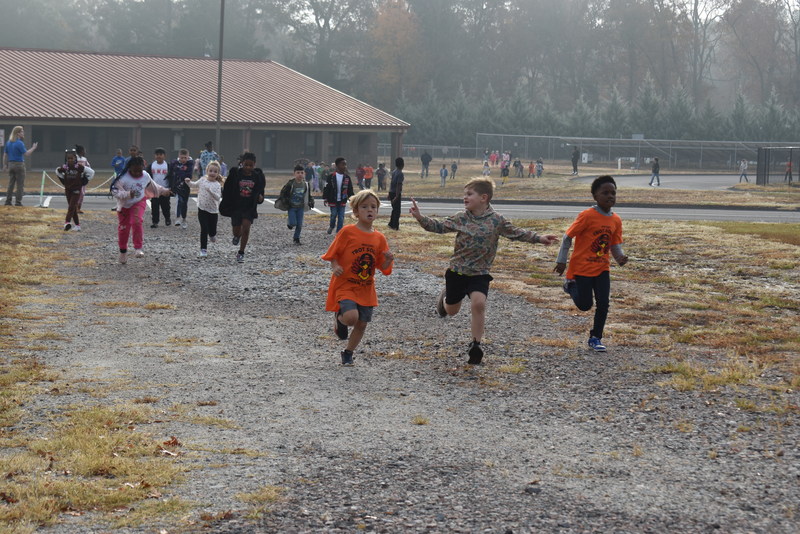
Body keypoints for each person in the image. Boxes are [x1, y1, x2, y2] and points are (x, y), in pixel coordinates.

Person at [410, 178, 557, 364]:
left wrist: (539, 238)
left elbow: (517, 232)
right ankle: (445, 298)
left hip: (480, 273)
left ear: (484, 198)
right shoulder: (460, 218)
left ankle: (476, 345)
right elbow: (438, 227)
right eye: (464, 194)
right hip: (457, 272)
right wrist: (420, 217)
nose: (465, 198)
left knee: (478, 304)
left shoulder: (497, 221)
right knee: (452, 310)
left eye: (469, 194)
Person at [554, 175, 628, 353]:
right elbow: (567, 237)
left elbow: (614, 243)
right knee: (585, 305)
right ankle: (570, 286)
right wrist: (562, 261)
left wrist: (620, 258)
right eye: (605, 193)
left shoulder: (616, 219)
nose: (610, 196)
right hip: (581, 269)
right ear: (595, 196)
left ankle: (596, 337)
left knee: (603, 303)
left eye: (613, 193)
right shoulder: (587, 215)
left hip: (602, 269)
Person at [321, 189, 394, 366]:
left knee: (361, 324)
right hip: (345, 284)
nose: (370, 210)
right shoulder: (347, 232)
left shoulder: (379, 238)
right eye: (364, 207)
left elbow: (381, 267)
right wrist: (335, 266)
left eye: (373, 207)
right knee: (351, 317)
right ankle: (340, 318)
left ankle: (348, 353)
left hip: (366, 287)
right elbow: (333, 254)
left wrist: (388, 260)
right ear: (355, 211)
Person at [110, 156, 173, 264]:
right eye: (134, 171)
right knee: (123, 229)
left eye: (140, 170)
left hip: (139, 202)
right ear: (129, 168)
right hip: (124, 205)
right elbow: (114, 192)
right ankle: (123, 251)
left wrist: (164, 191)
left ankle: (138, 248)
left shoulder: (145, 175)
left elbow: (154, 186)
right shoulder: (122, 178)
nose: (137, 173)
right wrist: (128, 194)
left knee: (137, 220)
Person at [218, 152, 265, 264]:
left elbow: (261, 191)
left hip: (249, 207)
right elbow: (228, 188)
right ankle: (237, 236)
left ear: (254, 164)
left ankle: (241, 252)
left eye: (251, 165)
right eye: (246, 165)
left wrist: (260, 198)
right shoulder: (236, 174)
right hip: (237, 206)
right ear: (242, 163)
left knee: (246, 228)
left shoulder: (257, 176)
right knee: (236, 230)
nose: (248, 167)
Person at [186, 160, 223, 258]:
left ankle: (212, 235)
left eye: (215, 171)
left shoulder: (217, 185)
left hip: (213, 211)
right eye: (211, 171)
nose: (212, 173)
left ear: (218, 173)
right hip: (202, 209)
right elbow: (194, 185)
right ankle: (203, 249)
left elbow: (218, 197)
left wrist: (211, 192)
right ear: (207, 171)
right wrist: (188, 182)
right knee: (204, 229)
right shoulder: (202, 180)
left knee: (212, 230)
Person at [277, 164, 315, 245]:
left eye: (302, 172)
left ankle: (296, 238)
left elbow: (308, 195)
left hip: (300, 207)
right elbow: (283, 193)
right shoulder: (291, 183)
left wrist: (311, 201)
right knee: (293, 223)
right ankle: (290, 223)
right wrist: (285, 201)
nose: (300, 174)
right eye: (298, 172)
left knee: (299, 224)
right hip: (291, 207)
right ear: (294, 174)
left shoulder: (306, 184)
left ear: (304, 174)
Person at [3, 126, 38, 206]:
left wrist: (5, 165)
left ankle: (8, 201)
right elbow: (26, 153)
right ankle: (18, 202)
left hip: (10, 164)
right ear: (18, 133)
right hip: (19, 165)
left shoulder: (9, 143)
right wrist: (33, 148)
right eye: (22, 131)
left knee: (11, 184)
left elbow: (5, 155)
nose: (23, 133)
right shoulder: (19, 143)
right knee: (20, 185)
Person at [55, 149, 87, 231]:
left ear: (75, 159)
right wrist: (63, 181)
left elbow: (91, 172)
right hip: (68, 190)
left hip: (76, 190)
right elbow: (57, 171)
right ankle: (77, 225)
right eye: (68, 159)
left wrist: (84, 180)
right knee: (72, 208)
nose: (70, 160)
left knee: (71, 207)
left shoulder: (79, 167)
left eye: (71, 159)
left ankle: (67, 223)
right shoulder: (65, 168)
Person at [322, 157, 354, 235]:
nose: (345, 166)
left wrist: (352, 198)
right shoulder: (331, 177)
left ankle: (339, 232)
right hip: (332, 199)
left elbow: (350, 189)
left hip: (342, 200)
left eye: (345, 164)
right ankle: (332, 226)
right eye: (343, 164)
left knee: (341, 217)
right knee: (333, 215)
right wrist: (325, 198)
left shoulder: (347, 177)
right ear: (337, 165)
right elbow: (326, 187)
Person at [146, 148, 173, 228]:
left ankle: (167, 218)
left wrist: (170, 188)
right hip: (154, 189)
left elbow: (171, 177)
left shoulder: (168, 166)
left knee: (166, 206)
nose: (159, 156)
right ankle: (155, 222)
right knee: (154, 206)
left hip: (165, 189)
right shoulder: (151, 166)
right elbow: (147, 177)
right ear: (155, 156)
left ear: (164, 156)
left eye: (161, 154)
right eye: (157, 154)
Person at [171, 148, 194, 228]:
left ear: (188, 157)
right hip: (177, 186)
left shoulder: (190, 164)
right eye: (182, 158)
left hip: (186, 187)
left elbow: (189, 175)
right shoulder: (175, 163)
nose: (183, 159)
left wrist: (181, 173)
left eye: (185, 158)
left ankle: (184, 219)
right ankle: (177, 218)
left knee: (184, 203)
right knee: (179, 201)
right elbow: (173, 171)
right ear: (179, 157)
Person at [74, 144, 95, 213]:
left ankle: (79, 208)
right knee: (76, 193)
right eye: (84, 150)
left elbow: (88, 167)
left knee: (82, 193)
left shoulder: (84, 159)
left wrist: (87, 175)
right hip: (75, 178)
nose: (85, 152)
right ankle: (75, 208)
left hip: (82, 179)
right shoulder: (75, 158)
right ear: (81, 151)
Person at [387, 157, 405, 230]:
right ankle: (395, 226)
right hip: (396, 193)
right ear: (402, 164)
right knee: (397, 211)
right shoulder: (400, 173)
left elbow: (391, 183)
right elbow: (398, 185)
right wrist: (397, 196)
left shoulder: (394, 171)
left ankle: (391, 223)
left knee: (394, 209)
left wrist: (389, 193)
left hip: (391, 192)